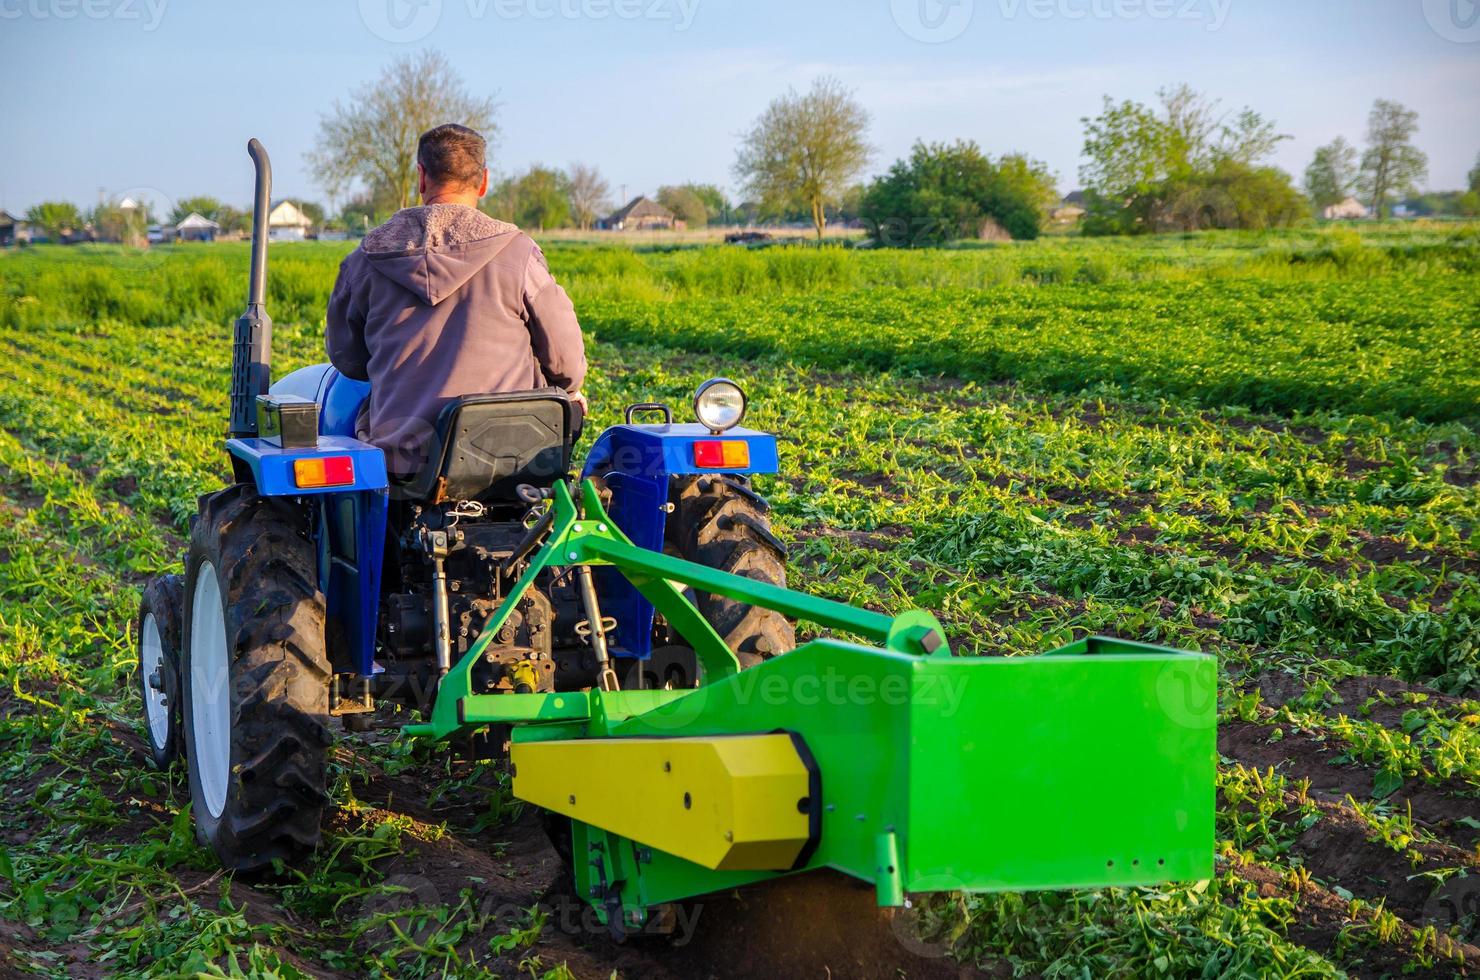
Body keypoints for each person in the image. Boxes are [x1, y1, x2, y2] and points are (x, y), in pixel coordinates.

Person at [325, 123, 587, 476]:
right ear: (483, 181)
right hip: (513, 459)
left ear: (421, 177)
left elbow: (348, 360)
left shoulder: (364, 260)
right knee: (569, 399)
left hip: (403, 460)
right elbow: (566, 364)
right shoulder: (519, 254)